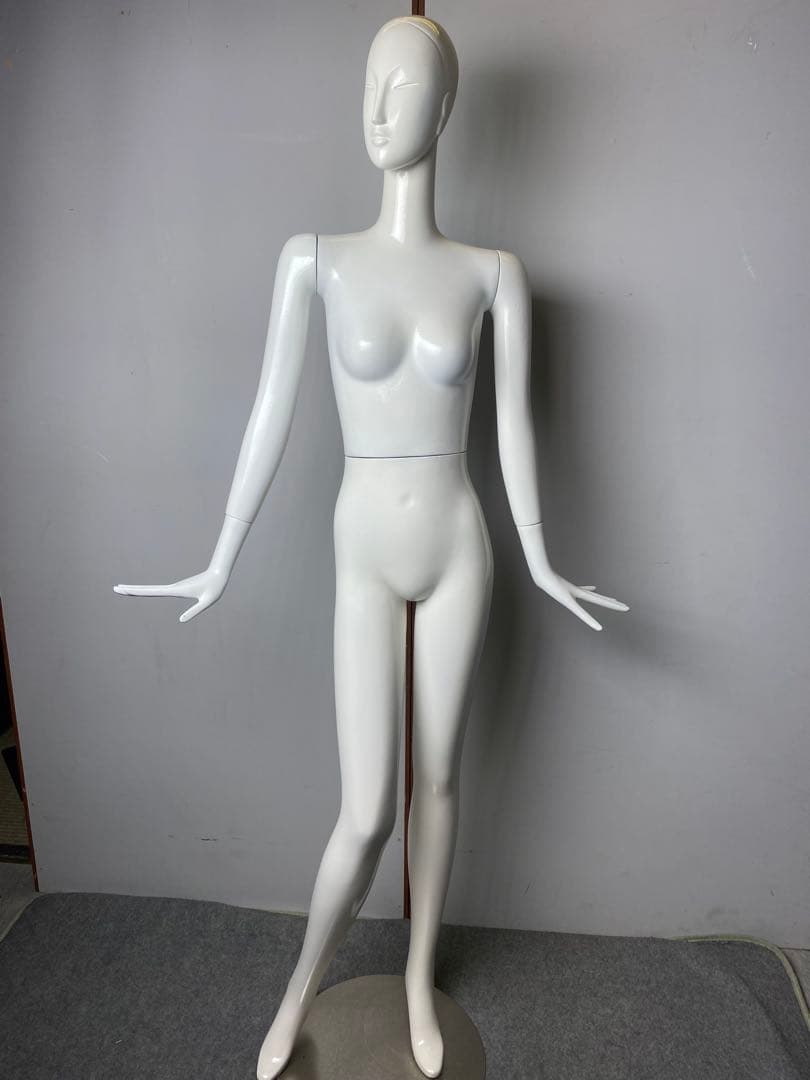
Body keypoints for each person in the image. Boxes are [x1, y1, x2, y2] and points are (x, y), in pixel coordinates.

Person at [115, 15, 628, 1079]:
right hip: (365, 549)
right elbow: (269, 413)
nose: (379, 109)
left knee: (439, 782)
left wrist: (541, 557)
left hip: (458, 547)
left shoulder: (493, 273)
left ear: (445, 110)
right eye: (370, 83)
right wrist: (221, 552)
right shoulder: (314, 260)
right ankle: (298, 990)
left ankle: (417, 981)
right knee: (364, 812)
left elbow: (516, 430)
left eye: (403, 88)